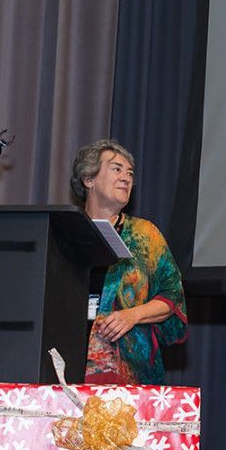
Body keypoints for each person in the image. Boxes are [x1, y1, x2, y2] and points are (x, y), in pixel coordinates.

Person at [70, 139, 187, 385]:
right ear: (88, 179)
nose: (126, 178)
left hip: (128, 373)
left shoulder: (145, 235)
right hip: (63, 363)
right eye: (116, 169)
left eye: (130, 173)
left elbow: (172, 297)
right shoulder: (65, 231)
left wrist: (132, 315)